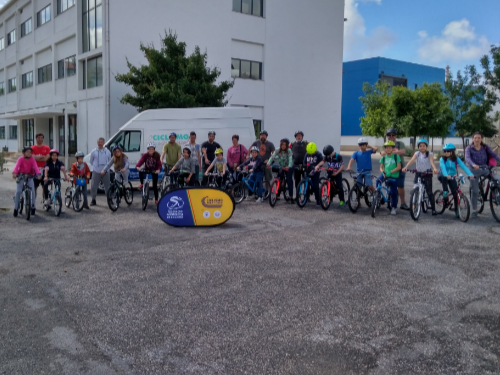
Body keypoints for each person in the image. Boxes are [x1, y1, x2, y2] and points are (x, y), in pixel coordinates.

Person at [465, 132, 500, 218]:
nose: (477, 139)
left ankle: (496, 196)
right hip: (474, 170)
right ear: (473, 139)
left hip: (485, 168)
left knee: (497, 179)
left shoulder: (485, 147)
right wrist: (473, 164)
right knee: (475, 191)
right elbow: (467, 158)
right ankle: (474, 210)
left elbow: (494, 154)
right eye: (475, 138)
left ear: (481, 139)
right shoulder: (469, 148)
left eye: (479, 138)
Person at [403, 139, 439, 215]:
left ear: (426, 147)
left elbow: (432, 162)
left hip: (427, 174)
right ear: (418, 147)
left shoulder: (429, 153)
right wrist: (406, 167)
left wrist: (435, 168)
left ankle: (433, 209)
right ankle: (414, 204)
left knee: (429, 192)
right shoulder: (417, 153)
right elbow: (412, 160)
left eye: (424, 146)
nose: (422, 147)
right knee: (415, 189)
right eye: (420, 146)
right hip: (418, 173)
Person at [439, 143, 474, 219]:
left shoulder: (456, 159)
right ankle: (445, 191)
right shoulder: (442, 159)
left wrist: (470, 174)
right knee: (443, 176)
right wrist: (446, 174)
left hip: (452, 176)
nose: (446, 152)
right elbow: (443, 168)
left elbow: (463, 166)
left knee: (455, 193)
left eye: (448, 151)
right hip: (443, 175)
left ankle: (456, 210)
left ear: (452, 151)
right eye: (445, 151)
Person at [381, 128, 409, 210]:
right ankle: (390, 201)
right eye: (389, 135)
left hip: (400, 168)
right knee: (389, 186)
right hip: (389, 170)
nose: (391, 136)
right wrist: (394, 152)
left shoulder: (400, 144)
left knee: (400, 186)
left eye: (393, 135)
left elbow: (403, 151)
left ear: (396, 136)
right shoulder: (384, 144)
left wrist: (390, 152)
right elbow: (382, 153)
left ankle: (403, 203)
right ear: (387, 136)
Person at [12, 146, 40, 217]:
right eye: (27, 152)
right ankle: (15, 209)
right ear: (24, 153)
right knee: (18, 191)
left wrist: (38, 174)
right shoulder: (20, 159)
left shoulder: (32, 159)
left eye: (30, 152)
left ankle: (33, 207)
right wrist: (15, 173)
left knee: (32, 191)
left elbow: (36, 167)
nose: (29, 153)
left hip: (30, 176)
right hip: (21, 176)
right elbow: (16, 166)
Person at [377, 141, 402, 215]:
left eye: (389, 148)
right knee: (378, 181)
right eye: (386, 148)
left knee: (393, 192)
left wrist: (390, 172)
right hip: (385, 174)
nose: (388, 149)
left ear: (393, 149)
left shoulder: (396, 156)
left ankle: (393, 207)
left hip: (393, 176)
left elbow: (399, 167)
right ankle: (377, 196)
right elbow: (381, 167)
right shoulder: (384, 157)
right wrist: (383, 172)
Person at [267, 138, 294, 202]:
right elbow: (272, 157)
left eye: (285, 145)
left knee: (289, 180)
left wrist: (289, 166)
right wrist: (268, 164)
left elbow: (290, 159)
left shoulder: (289, 151)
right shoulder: (277, 150)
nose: (283, 146)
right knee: (279, 179)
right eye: (282, 144)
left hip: (288, 167)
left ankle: (291, 196)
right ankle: (278, 195)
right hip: (281, 166)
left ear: (287, 145)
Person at [89, 137, 112, 206]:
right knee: (94, 186)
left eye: (101, 142)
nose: (100, 143)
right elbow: (91, 161)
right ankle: (93, 199)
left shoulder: (108, 151)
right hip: (96, 171)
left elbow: (110, 161)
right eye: (99, 142)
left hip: (106, 171)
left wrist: (105, 169)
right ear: (97, 143)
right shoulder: (93, 151)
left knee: (107, 186)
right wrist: (96, 167)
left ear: (104, 143)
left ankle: (109, 199)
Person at [31, 133, 50, 197]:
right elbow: (32, 158)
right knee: (34, 187)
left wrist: (37, 157)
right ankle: (33, 202)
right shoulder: (32, 148)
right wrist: (42, 157)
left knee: (44, 186)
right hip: (35, 170)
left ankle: (45, 201)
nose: (40, 139)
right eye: (38, 138)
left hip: (45, 170)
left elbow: (46, 159)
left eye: (41, 138)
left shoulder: (47, 148)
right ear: (36, 138)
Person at [291, 130, 309, 197]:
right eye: (297, 136)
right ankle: (297, 195)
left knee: (306, 180)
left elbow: (312, 151)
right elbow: (288, 152)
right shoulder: (292, 144)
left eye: (300, 136)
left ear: (302, 137)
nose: (299, 137)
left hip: (305, 165)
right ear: (295, 137)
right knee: (297, 180)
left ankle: (307, 195)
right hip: (296, 165)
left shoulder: (306, 143)